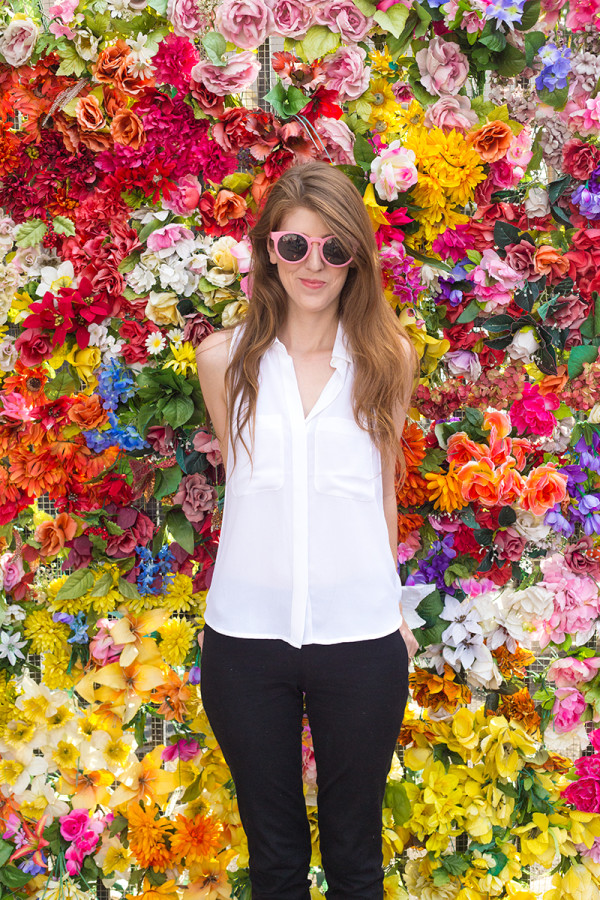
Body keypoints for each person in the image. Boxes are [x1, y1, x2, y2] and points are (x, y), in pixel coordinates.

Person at [195, 160, 419, 900]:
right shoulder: (223, 361)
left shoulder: (389, 359)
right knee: (277, 859)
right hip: (245, 640)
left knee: (356, 857)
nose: (313, 265)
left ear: (356, 255)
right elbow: (245, 486)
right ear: (268, 252)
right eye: (295, 247)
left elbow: (380, 488)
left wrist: (392, 611)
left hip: (360, 641)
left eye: (333, 247)